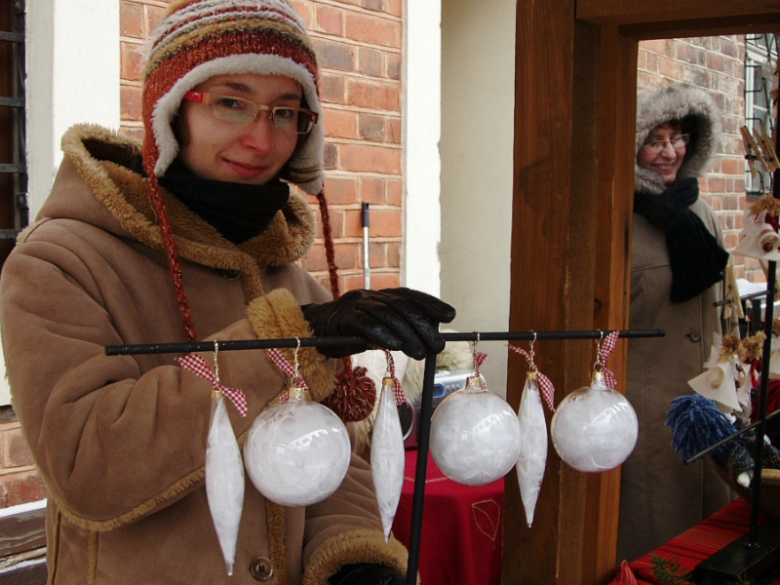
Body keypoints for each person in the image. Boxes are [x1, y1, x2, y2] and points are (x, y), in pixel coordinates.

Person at [0, 1, 455, 583]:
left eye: (285, 112)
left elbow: (330, 454)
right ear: (171, 112)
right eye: (231, 102)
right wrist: (286, 341)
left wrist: (352, 556)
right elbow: (88, 465)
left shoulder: (290, 279)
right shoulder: (63, 262)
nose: (261, 140)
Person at [617, 83, 733, 562]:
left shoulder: (701, 213)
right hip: (649, 417)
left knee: (716, 540)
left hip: (712, 403)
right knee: (658, 547)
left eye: (679, 138)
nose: (669, 153)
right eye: (655, 141)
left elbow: (725, 311)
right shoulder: (617, 217)